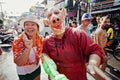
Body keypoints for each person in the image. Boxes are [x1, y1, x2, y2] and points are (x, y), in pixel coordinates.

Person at [42, 7, 110, 80]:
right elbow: (47, 63)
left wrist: (93, 63)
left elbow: (94, 50)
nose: (54, 18)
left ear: (64, 14)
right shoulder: (46, 42)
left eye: (56, 13)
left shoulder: (78, 34)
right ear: (47, 22)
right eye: (50, 16)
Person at [12, 15, 44, 80]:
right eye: (27, 24)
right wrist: (28, 48)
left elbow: (43, 53)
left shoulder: (40, 38)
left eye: (33, 24)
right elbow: (19, 63)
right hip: (24, 73)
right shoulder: (18, 41)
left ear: (37, 28)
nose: (29, 27)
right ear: (24, 27)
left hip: (36, 68)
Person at [94, 15, 110, 80]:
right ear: (100, 22)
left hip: (103, 49)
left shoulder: (103, 29)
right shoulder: (99, 31)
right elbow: (98, 45)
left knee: (104, 64)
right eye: (105, 22)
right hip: (100, 51)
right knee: (102, 65)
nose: (107, 23)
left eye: (108, 22)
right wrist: (103, 54)